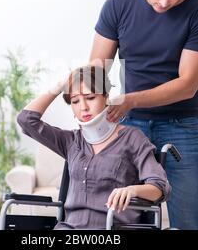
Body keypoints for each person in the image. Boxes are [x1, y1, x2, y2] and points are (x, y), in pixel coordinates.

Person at [89, 0, 198, 230]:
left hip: (180, 125)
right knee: (123, 218)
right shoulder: (118, 4)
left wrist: (130, 99)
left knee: (186, 221)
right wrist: (90, 111)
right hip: (127, 125)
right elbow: (97, 70)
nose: (164, 2)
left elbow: (187, 85)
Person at [17, 65, 170, 229]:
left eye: (90, 97)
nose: (83, 107)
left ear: (105, 97)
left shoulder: (132, 138)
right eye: (75, 101)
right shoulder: (71, 141)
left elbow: (160, 187)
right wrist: (60, 85)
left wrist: (132, 190)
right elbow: (26, 120)